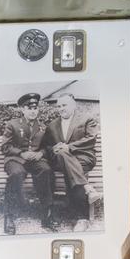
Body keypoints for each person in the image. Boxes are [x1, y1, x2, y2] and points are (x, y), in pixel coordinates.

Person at [42, 94, 101, 227]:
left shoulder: (87, 119)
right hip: (60, 160)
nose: (61, 108)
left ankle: (76, 214)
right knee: (64, 155)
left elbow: (91, 138)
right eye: (59, 106)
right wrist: (54, 148)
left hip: (83, 157)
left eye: (64, 105)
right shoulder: (52, 125)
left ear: (73, 105)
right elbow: (46, 146)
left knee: (71, 163)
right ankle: (83, 215)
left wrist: (69, 147)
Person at [0, 92, 55, 230]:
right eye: (29, 108)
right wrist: (21, 153)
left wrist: (40, 153)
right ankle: (9, 216)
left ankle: (46, 215)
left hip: (35, 160)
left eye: (35, 108)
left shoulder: (43, 127)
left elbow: (48, 146)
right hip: (15, 159)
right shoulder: (12, 124)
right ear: (22, 109)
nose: (32, 111)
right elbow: (5, 147)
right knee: (17, 174)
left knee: (46, 170)